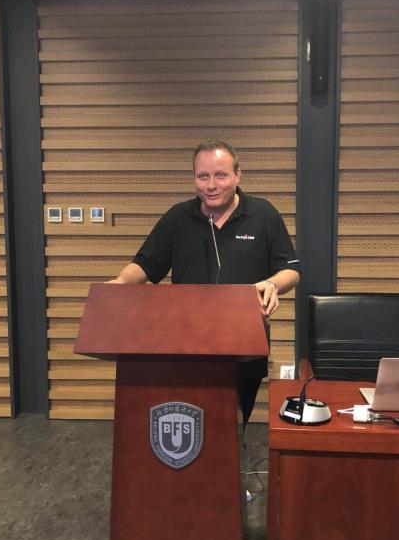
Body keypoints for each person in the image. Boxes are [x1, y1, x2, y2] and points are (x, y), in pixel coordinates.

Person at [109, 140, 300, 423]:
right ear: (194, 178)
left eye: (220, 175)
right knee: (190, 419)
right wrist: (120, 283)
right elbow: (146, 264)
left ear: (238, 175)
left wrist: (272, 284)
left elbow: (291, 270)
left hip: (245, 341)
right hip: (185, 344)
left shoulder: (263, 214)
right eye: (203, 176)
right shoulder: (178, 218)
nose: (211, 185)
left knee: (234, 422)